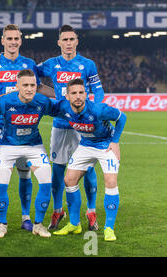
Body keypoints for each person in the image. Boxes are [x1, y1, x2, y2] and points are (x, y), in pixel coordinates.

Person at [0, 24, 54, 233]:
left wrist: (61, 97)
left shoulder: (29, 64)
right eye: (9, 38)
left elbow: (37, 88)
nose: (13, 42)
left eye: (16, 39)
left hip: (24, 123)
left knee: (25, 172)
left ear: (20, 41)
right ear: (2, 41)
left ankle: (26, 217)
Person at [37, 24, 105, 231]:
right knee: (58, 170)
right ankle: (58, 210)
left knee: (88, 169)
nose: (68, 43)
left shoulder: (87, 64)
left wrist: (94, 110)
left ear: (77, 41)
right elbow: (30, 74)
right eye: (64, 40)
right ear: (59, 42)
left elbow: (99, 91)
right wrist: (51, 94)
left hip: (83, 126)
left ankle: (91, 212)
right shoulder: (51, 64)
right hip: (60, 124)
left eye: (71, 39)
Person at [53, 78, 126, 241]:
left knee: (110, 182)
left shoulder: (98, 109)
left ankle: (109, 228)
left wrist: (115, 141)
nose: (78, 96)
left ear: (86, 94)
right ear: (67, 96)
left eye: (81, 92)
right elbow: (44, 106)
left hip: (105, 145)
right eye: (74, 93)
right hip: (85, 145)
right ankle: (74, 224)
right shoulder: (63, 108)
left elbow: (122, 117)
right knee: (69, 180)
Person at [0, 69, 57, 238]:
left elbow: (63, 109)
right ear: (17, 86)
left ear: (37, 86)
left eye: (33, 85)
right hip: (7, 145)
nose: (29, 89)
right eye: (25, 85)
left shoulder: (43, 101)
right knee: (1, 184)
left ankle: (38, 224)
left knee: (46, 181)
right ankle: (2, 224)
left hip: (33, 146)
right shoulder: (5, 101)